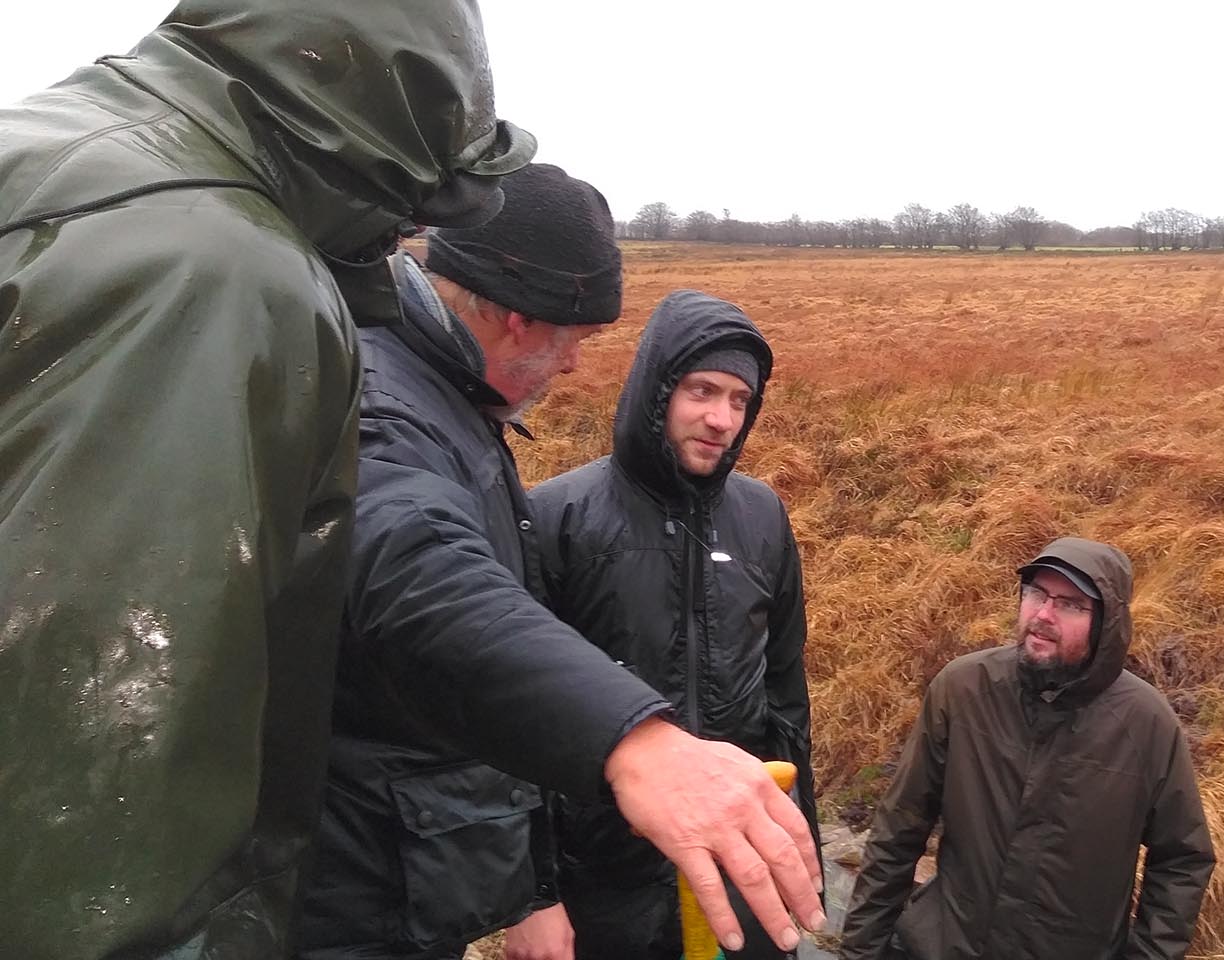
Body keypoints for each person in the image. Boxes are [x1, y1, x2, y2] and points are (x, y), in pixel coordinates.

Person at [0, 2, 536, 957]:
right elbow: (98, 788)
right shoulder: (213, 274)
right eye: (420, 191)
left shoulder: (57, 152)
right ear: (362, 138)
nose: (417, 227)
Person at [289, 167, 824, 960]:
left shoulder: (450, 402)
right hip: (356, 883)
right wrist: (638, 743)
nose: (573, 366)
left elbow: (782, 691)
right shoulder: (385, 406)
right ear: (514, 318)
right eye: (570, 339)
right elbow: (417, 569)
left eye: (739, 400)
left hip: (406, 871)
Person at [515, 289, 816, 959]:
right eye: (702, 391)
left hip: (742, 858)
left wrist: (800, 842)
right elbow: (515, 718)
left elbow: (786, 697)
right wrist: (533, 895)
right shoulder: (558, 516)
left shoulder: (762, 516)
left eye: (740, 401)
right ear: (656, 388)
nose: (721, 419)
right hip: (605, 877)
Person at [840, 538, 1215, 960]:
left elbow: (1183, 860)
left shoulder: (1147, 724)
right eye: (1037, 593)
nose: (1043, 614)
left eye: (1071, 604)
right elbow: (899, 827)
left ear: (1107, 622)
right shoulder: (963, 690)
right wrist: (860, 950)